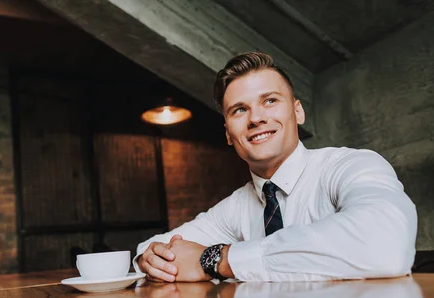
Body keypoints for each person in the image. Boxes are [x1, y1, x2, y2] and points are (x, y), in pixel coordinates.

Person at [134, 51, 417, 282]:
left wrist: (219, 259)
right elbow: (155, 247)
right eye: (240, 110)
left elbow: (385, 243)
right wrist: (150, 260)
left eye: (270, 101)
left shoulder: (350, 166)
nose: (256, 118)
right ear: (228, 134)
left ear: (298, 111)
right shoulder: (236, 208)